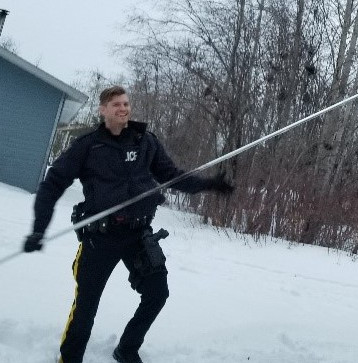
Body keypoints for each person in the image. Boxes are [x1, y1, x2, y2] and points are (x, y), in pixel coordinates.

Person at [22, 85, 233, 363]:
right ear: (103, 110)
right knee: (85, 310)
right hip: (101, 238)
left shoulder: (145, 141)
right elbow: (53, 184)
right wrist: (39, 228)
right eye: (116, 104)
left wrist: (209, 185)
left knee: (158, 293)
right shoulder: (88, 146)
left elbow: (171, 175)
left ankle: (127, 349)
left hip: (138, 235)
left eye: (126, 103)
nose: (123, 108)